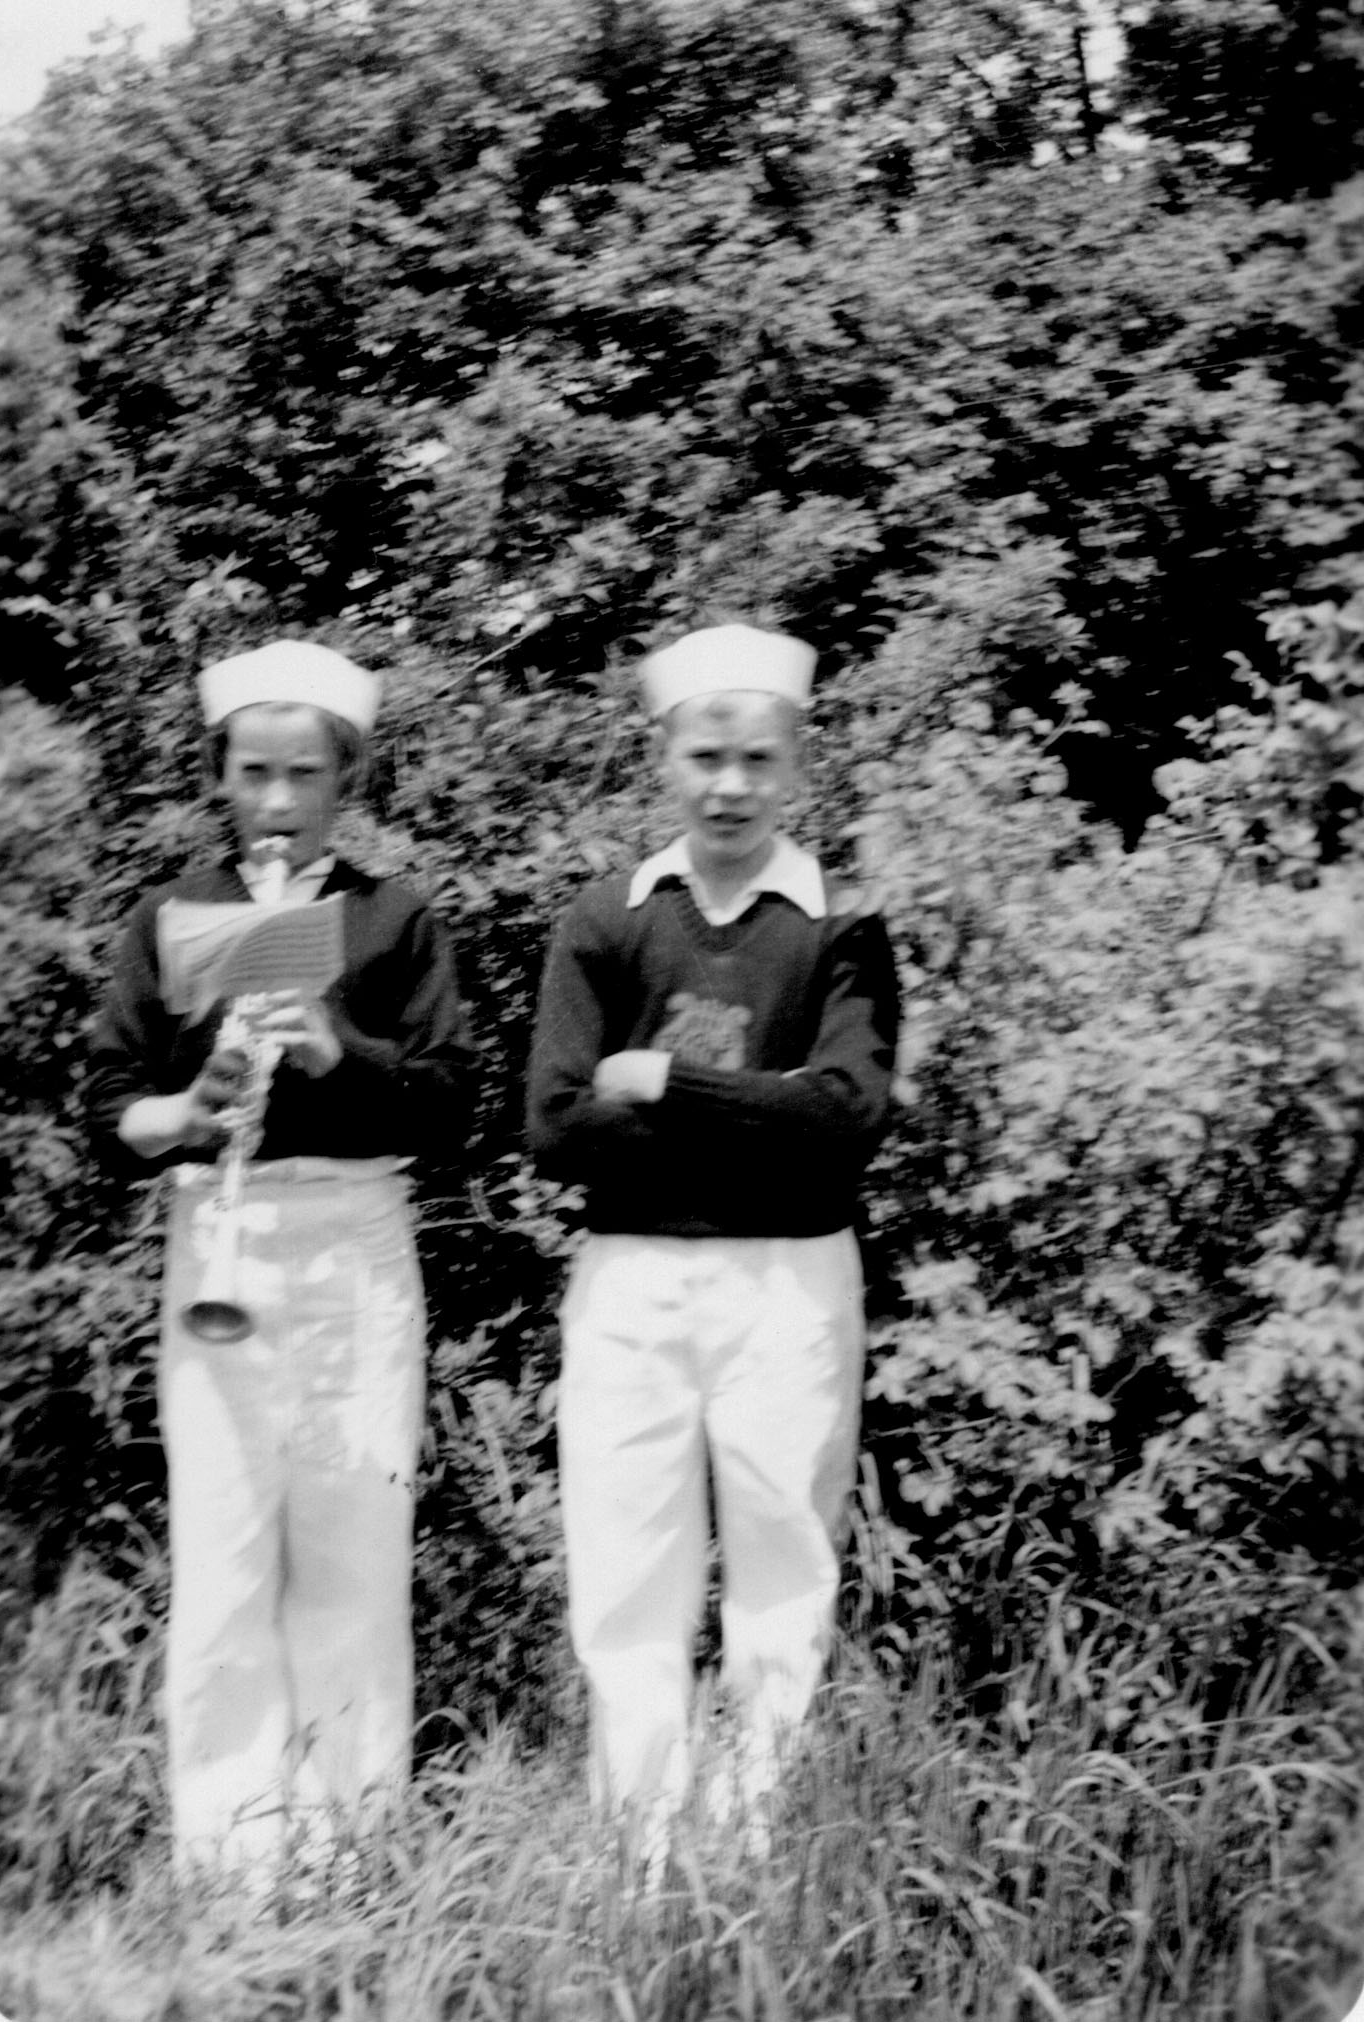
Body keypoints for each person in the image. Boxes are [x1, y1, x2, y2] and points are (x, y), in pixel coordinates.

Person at [88, 637, 472, 1879]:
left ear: (345, 779)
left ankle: (350, 1847)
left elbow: (448, 1101)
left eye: (304, 775)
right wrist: (185, 1109)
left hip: (353, 1241)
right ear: (219, 775)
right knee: (224, 1551)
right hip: (221, 1230)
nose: (277, 801)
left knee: (351, 1550)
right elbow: (109, 1104)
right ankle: (229, 1861)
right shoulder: (169, 912)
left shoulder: (394, 915)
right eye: (253, 773)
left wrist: (332, 1051)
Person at [526, 622, 900, 1846]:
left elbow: (845, 1117)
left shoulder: (839, 925)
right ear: (663, 758)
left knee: (782, 1565)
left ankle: (753, 1850)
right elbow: (553, 1125)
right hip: (629, 1282)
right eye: (704, 757)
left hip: (789, 1287)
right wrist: (757, 1109)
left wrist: (659, 1082)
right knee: (627, 1567)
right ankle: (638, 1849)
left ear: (796, 764)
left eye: (755, 760)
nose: (729, 786)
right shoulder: (607, 918)